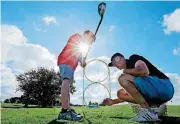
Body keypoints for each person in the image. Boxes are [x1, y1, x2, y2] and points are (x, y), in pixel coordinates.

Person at [103, 53, 174, 122]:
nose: (115, 65)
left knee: (122, 78)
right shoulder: (129, 76)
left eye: (116, 60)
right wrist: (113, 102)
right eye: (113, 64)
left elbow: (144, 71)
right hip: (156, 95)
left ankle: (148, 112)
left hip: (165, 86)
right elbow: (134, 94)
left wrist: (125, 71)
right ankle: (153, 109)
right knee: (120, 93)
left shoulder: (133, 58)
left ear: (122, 58)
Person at [57, 30, 95, 121]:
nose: (91, 42)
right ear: (86, 35)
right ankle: (64, 112)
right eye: (91, 39)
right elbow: (75, 50)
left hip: (68, 64)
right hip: (66, 62)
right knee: (66, 82)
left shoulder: (81, 45)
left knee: (67, 85)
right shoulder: (77, 37)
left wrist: (83, 61)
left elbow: (81, 62)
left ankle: (67, 110)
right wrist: (82, 57)